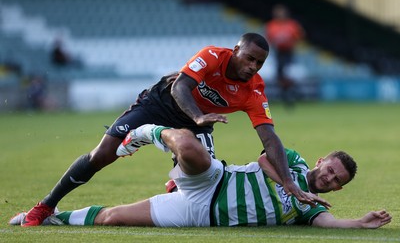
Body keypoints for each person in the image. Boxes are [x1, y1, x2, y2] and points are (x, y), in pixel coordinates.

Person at [19, 33, 327, 227]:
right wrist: (197, 118)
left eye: (259, 63)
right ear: (235, 50)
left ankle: (174, 182)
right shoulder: (212, 56)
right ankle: (45, 206)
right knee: (102, 154)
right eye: (249, 58)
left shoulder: (254, 90)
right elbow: (181, 86)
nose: (253, 67)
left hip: (197, 121)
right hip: (160, 105)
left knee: (200, 175)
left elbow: (269, 137)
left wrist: (288, 182)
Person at [10, 124, 391, 228]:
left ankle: (52, 218)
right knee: (190, 148)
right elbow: (262, 162)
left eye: (335, 180)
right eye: (329, 169)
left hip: (200, 215)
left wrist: (358, 223)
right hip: (216, 182)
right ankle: (145, 133)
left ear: (338, 187)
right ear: (322, 159)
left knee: (113, 217)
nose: (327, 178)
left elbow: (327, 222)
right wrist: (293, 188)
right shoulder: (290, 161)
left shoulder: (311, 210)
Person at [265, 4, 305, 108]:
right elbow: (269, 39)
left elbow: (299, 36)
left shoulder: (292, 25)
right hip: (279, 53)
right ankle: (289, 95)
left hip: (289, 52)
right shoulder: (271, 25)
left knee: (287, 74)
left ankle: (291, 94)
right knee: (280, 76)